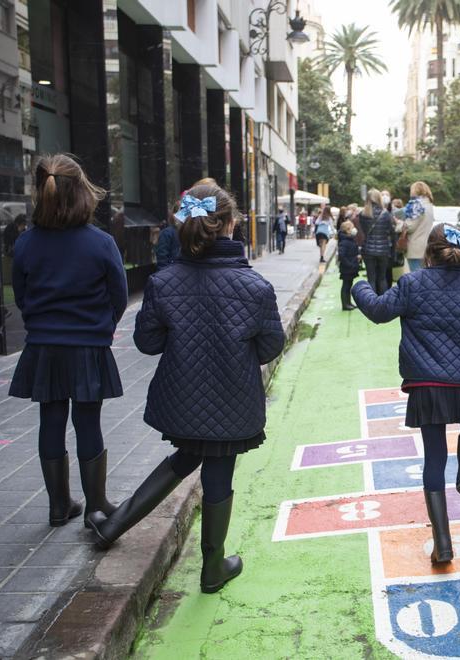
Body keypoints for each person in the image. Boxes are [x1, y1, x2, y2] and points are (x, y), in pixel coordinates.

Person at [87, 183, 285, 594]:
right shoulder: (256, 288)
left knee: (188, 453)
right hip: (233, 399)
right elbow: (269, 347)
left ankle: (116, 524)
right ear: (231, 224)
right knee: (218, 467)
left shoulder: (163, 282)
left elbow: (148, 342)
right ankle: (213, 566)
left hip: (182, 397)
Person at [352, 224, 460, 563]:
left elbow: (380, 311)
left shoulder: (412, 283)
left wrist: (360, 287)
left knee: (433, 457)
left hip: (426, 384)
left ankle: (443, 544)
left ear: (428, 252)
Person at [9, 154, 127, 528]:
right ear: (82, 193)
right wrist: (102, 327)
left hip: (44, 347)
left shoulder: (26, 243)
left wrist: (41, 326)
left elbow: (22, 295)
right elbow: (119, 295)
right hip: (88, 346)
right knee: (88, 422)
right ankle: (96, 503)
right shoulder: (101, 242)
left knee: (51, 419)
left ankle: (59, 506)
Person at [359, 189, 395, 295]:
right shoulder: (385, 214)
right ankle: (382, 303)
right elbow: (391, 232)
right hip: (383, 250)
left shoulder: (363, 214)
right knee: (382, 278)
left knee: (371, 278)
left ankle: (371, 303)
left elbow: (363, 231)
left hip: (368, 250)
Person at [402, 182, 435, 272]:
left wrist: (399, 224)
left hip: (415, 246)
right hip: (426, 245)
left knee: (416, 276)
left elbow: (410, 226)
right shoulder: (429, 205)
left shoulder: (416, 205)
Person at [338, 220, 360, 311]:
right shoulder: (344, 242)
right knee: (346, 286)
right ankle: (345, 304)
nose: (354, 229)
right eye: (352, 227)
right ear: (347, 230)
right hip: (347, 268)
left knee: (349, 285)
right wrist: (350, 264)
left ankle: (348, 302)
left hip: (351, 267)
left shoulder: (349, 240)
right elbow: (342, 256)